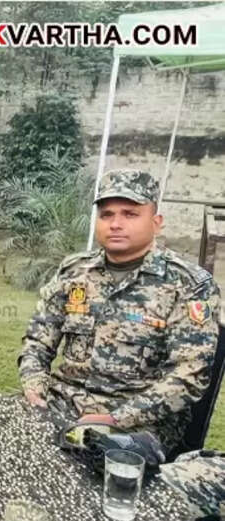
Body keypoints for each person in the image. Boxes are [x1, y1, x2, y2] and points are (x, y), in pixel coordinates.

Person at [18, 169, 220, 450]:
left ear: (156, 223)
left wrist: (115, 419)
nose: (115, 224)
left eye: (130, 214)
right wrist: (34, 386)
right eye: (106, 215)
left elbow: (189, 374)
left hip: (139, 425)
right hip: (59, 405)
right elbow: (37, 341)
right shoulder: (74, 272)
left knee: (92, 463)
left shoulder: (188, 285)